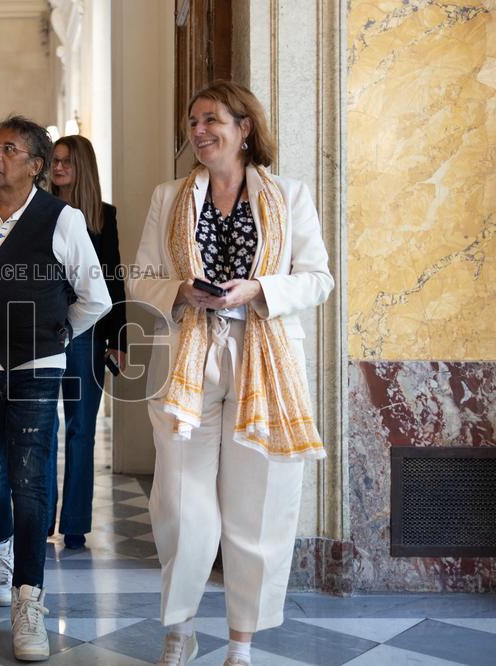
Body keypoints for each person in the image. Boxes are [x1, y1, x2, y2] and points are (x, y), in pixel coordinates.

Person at [127, 80, 334, 666]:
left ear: (245, 128)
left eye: (211, 119)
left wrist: (260, 288)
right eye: (193, 120)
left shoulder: (289, 195)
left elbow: (318, 278)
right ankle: (181, 626)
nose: (198, 131)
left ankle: (240, 643)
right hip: (187, 357)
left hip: (263, 359)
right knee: (182, 504)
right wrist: (180, 289)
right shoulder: (169, 197)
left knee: (257, 506)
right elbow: (140, 278)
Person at [0, 115, 111, 661]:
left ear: (36, 166)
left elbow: (96, 298)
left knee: (30, 475)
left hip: (38, 363)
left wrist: (58, 333)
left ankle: (30, 601)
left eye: (9, 149)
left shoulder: (62, 219)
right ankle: (1, 556)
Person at [45, 135, 127, 550]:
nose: (58, 168)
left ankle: (75, 524)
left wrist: (119, 339)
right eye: (55, 161)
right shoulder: (38, 211)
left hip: (88, 334)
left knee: (82, 430)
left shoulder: (103, 216)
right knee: (43, 426)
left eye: (66, 162)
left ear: (83, 168)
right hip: (43, 332)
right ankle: (41, 518)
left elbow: (113, 278)